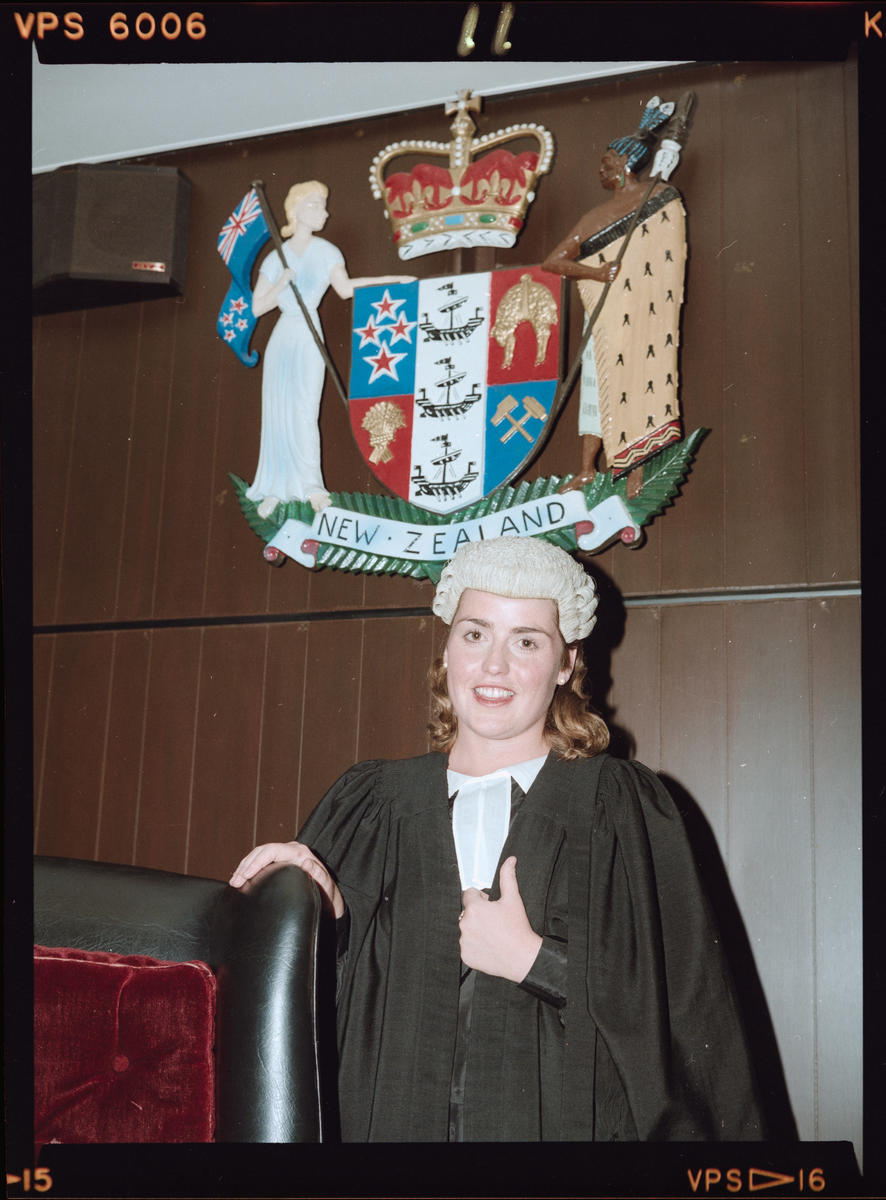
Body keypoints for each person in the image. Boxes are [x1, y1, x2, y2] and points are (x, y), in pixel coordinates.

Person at [230, 536, 766, 1142]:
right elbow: (302, 1026)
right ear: (447, 649)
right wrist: (317, 912)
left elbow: (684, 1017)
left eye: (527, 641)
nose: (494, 666)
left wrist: (535, 960)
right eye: (475, 634)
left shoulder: (619, 806)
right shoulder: (370, 804)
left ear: (566, 664)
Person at [542, 98, 687, 498]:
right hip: (606, 316)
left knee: (640, 382)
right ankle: (587, 468)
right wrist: (596, 273)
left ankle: (634, 465)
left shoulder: (660, 197)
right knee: (597, 386)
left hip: (643, 314)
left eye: (607, 162)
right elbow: (553, 262)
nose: (601, 170)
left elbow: (666, 251)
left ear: (625, 163)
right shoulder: (594, 217)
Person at [246, 181, 412, 518]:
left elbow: (346, 289)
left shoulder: (327, 252)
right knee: (278, 413)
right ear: (296, 209)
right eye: (315, 205)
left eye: (323, 205)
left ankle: (312, 486)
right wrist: (281, 283)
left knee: (305, 410)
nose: (324, 212)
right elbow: (257, 307)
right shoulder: (276, 257)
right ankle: (276, 488)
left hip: (309, 336)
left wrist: (392, 280)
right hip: (283, 337)